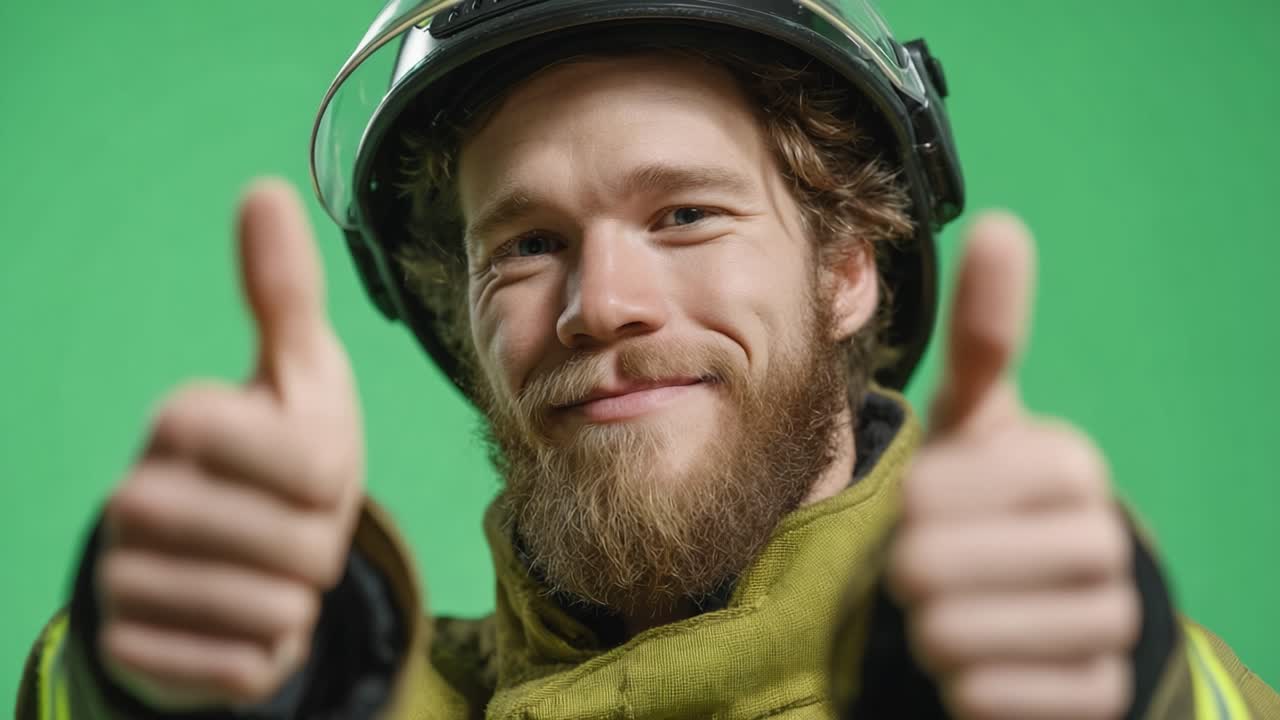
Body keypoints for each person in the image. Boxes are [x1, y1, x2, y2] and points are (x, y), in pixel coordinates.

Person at [16, 1, 1279, 718]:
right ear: (461, 322)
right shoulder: (360, 691)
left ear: (849, 269)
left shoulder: (1096, 678)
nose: (599, 306)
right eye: (523, 245)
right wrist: (175, 678)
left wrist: (1126, 684)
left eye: (683, 214)